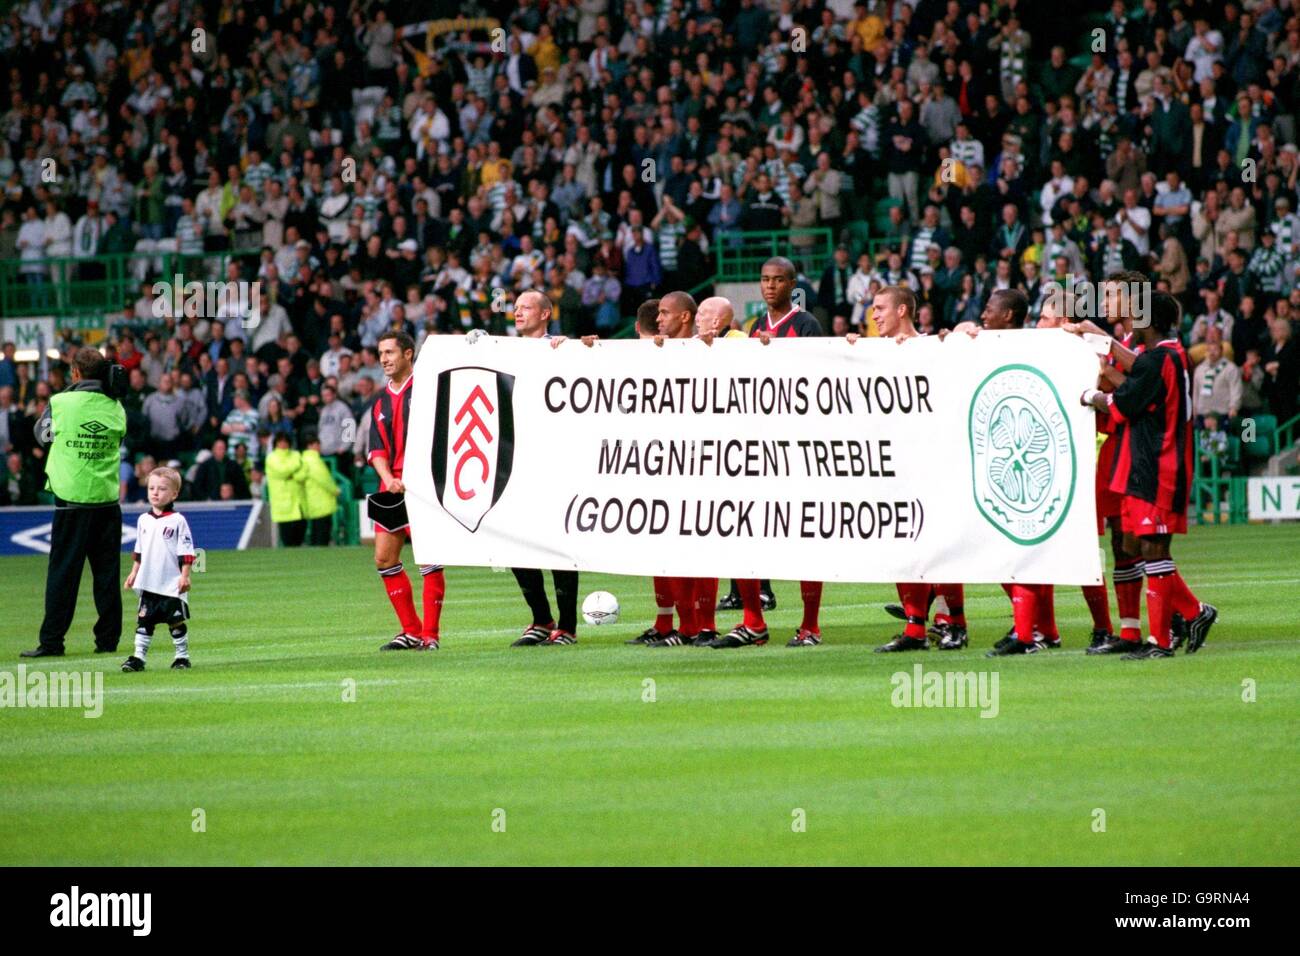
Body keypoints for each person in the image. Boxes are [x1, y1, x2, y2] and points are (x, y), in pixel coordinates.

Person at [1082, 292, 1218, 657]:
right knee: (1130, 546)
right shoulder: (1161, 357)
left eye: (1136, 317)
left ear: (1149, 322)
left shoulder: (1164, 358)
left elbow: (1123, 404)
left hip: (1159, 465)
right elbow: (1133, 387)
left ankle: (1161, 640)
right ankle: (1193, 612)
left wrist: (1089, 396)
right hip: (1140, 462)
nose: (1130, 323)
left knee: (1154, 549)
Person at [710, 257, 823, 649]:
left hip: (797, 442)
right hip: (760, 442)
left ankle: (810, 625)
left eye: (777, 280)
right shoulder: (755, 328)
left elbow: (819, 379)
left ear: (792, 284)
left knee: (805, 534)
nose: (769, 286)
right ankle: (752, 620)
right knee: (747, 527)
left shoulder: (806, 324)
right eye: (764, 279)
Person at [22, 348, 127, 659]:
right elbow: (117, 439)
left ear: (76, 373)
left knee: (63, 575)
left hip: (72, 500)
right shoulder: (116, 407)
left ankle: (52, 642)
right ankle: (107, 642)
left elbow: (42, 436)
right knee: (106, 575)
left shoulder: (61, 402)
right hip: (107, 500)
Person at [507, 290, 580, 646]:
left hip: (556, 462)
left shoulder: (562, 349)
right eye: (515, 307)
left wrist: (581, 352)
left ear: (546, 313)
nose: (517, 312)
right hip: (516, 461)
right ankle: (541, 618)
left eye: (525, 307)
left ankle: (567, 626)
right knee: (514, 541)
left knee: (557, 542)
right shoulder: (503, 350)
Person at [368, 330, 445, 650]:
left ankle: (431, 635)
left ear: (409, 354)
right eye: (381, 353)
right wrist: (388, 479)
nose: (384, 359)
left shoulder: (428, 391)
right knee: (384, 559)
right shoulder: (380, 401)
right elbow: (376, 451)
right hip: (391, 486)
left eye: (390, 352)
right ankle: (410, 631)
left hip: (424, 487)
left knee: (428, 558)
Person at [120, 467, 196, 671]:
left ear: (174, 494)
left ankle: (182, 657)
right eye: (151, 488)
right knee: (144, 622)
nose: (155, 492)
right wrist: (134, 572)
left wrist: (185, 576)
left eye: (162, 489)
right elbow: (140, 550)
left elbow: (186, 551)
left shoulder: (178, 520)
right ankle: (138, 658)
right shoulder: (143, 520)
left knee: (175, 622)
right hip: (148, 582)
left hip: (171, 583)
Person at [265, 433, 307, 547]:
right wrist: (295, 467)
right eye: (280, 442)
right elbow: (282, 471)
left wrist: (291, 475)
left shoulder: (295, 454)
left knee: (299, 538)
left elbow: (303, 473)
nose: (283, 444)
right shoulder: (271, 457)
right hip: (283, 503)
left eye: (285, 441)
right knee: (288, 540)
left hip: (299, 502)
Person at [301, 433, 340, 546]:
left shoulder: (304, 459)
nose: (319, 447)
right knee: (322, 535)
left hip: (312, 501)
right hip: (321, 501)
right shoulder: (313, 461)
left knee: (315, 532)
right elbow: (324, 479)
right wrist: (335, 490)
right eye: (317, 445)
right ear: (311, 445)